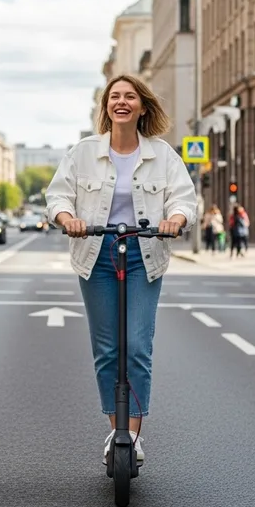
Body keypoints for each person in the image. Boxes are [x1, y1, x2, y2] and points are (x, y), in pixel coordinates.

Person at [45, 74, 196, 465]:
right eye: (115, 96)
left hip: (144, 253)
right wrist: (68, 217)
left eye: (130, 96)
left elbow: (184, 199)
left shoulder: (162, 154)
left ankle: (133, 435)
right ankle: (118, 431)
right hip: (96, 252)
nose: (122, 102)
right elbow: (57, 194)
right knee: (108, 349)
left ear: (143, 106)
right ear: (106, 106)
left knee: (138, 347)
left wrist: (175, 220)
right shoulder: (83, 152)